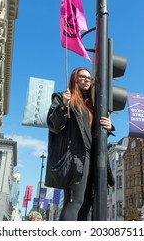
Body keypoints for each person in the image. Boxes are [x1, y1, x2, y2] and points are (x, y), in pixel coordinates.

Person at [45, 67, 115, 221]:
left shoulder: (90, 105)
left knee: (87, 204)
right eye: (82, 77)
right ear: (74, 79)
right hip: (75, 155)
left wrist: (108, 126)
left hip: (91, 157)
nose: (86, 81)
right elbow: (54, 125)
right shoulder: (62, 97)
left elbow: (93, 132)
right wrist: (64, 104)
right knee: (74, 201)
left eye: (89, 79)